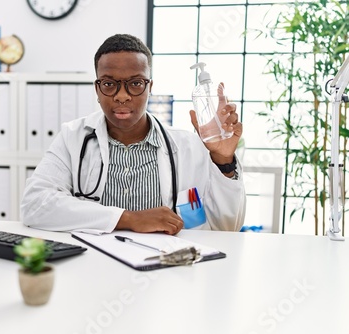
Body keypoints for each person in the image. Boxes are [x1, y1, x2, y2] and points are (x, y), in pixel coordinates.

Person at [21, 34, 245, 235]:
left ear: (150, 87)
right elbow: (34, 205)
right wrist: (128, 219)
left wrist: (223, 161)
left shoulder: (189, 145)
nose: (121, 96)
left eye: (136, 83)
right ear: (97, 89)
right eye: (109, 84)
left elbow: (226, 228)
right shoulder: (72, 138)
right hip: (92, 266)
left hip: (166, 269)